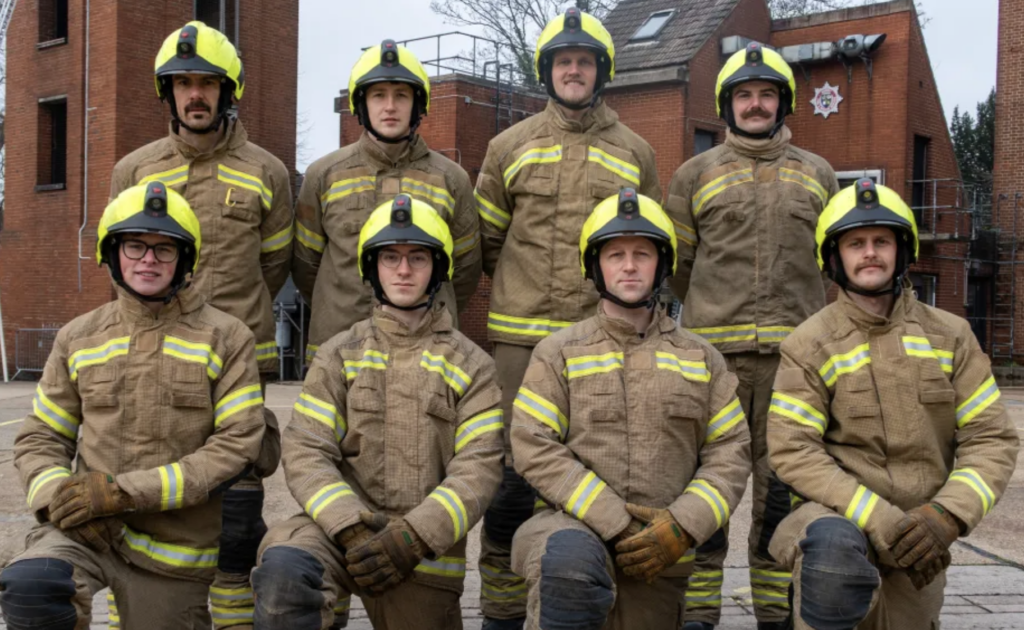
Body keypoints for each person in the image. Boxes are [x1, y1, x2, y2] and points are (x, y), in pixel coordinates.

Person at [0, 182, 266, 630]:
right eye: (135, 245)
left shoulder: (227, 337)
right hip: (87, 534)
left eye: (164, 249)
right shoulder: (78, 338)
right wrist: (57, 501)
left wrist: (126, 493)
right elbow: (41, 438)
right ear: (112, 253)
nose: (148, 259)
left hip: (174, 551)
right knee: (32, 587)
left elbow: (237, 446)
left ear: (185, 259)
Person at [472, 10, 661, 626]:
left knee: (595, 462)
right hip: (519, 342)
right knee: (506, 475)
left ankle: (580, 590)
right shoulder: (508, 147)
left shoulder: (636, 152)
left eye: (583, 60)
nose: (573, 70)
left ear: (601, 70)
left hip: (599, 338)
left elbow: (644, 244)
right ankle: (502, 611)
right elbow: (487, 243)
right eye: (562, 61)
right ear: (547, 70)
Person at [766, 179, 1019, 629]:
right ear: (834, 256)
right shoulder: (808, 344)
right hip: (839, 521)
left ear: (903, 250)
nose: (869, 253)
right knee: (831, 557)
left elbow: (991, 439)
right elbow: (793, 449)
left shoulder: (952, 336)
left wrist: (948, 515)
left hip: (921, 538)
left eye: (881, 241)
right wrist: (880, 519)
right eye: (855, 243)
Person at [108, 22, 292, 628]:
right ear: (167, 92)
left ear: (228, 90)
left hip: (241, 361)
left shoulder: (267, 173)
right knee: (153, 491)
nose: (195, 95)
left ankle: (234, 614)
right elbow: (125, 266)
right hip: (155, 357)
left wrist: (227, 329)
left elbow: (279, 263)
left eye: (207, 83)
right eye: (183, 83)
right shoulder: (134, 171)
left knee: (237, 506)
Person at [250, 195, 504, 629]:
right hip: (335, 537)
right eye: (390, 257)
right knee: (286, 576)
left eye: (417, 257)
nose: (403, 270)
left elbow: (477, 471)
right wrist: (349, 526)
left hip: (423, 551)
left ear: (438, 268)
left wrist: (414, 537)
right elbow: (307, 451)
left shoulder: (472, 365)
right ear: (372, 268)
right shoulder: (339, 355)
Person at [506, 189, 751, 629]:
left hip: (663, 553)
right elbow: (532, 445)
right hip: (571, 534)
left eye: (643, 253)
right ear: (594, 266)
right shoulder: (558, 353)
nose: (630, 265)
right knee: (569, 566)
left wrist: (682, 526)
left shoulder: (702, 358)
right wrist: (615, 522)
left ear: (663, 264)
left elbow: (730, 454)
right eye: (615, 254)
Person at [664, 41, 839, 630]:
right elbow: (680, 267)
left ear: (782, 102)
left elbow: (832, 263)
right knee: (705, 489)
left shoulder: (818, 175)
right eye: (745, 95)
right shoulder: (695, 175)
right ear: (727, 105)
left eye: (767, 95)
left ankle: (774, 614)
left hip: (796, 363)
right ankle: (698, 613)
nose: (757, 104)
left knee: (782, 493)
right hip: (715, 364)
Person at [293, 40, 482, 365]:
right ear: (361, 104)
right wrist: (336, 304)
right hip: (339, 348)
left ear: (417, 104)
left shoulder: (452, 179)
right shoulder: (323, 175)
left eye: (401, 95)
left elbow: (465, 268)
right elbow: (305, 264)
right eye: (378, 95)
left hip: (429, 352)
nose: (390, 106)